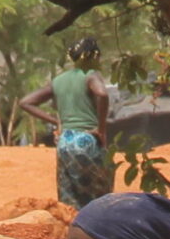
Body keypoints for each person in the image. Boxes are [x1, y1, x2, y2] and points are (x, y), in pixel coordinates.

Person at [21, 38, 112, 207]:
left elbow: (26, 102)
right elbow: (102, 94)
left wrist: (57, 121)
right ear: (94, 56)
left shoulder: (59, 80)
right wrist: (101, 129)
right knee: (99, 196)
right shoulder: (90, 75)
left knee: (69, 196)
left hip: (65, 141)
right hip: (87, 140)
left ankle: (71, 229)